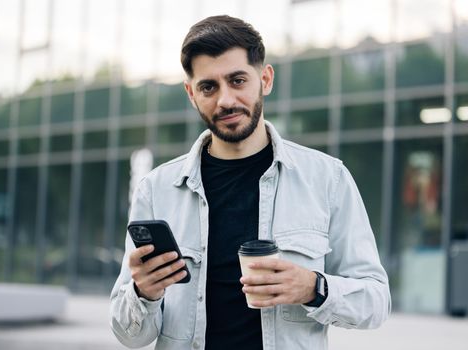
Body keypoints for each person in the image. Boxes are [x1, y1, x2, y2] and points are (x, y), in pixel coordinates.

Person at [110, 15, 391, 350]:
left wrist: (313, 287)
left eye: (238, 80)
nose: (225, 100)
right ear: (191, 93)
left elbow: (375, 302)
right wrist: (144, 293)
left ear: (265, 79)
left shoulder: (328, 178)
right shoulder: (157, 190)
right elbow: (129, 335)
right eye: (208, 87)